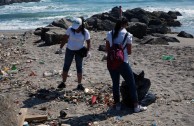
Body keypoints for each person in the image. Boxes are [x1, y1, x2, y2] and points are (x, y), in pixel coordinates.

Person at [105, 17, 147, 112]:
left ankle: (117, 105)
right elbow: (129, 51)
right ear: (125, 25)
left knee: (115, 83)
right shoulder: (128, 35)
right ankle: (136, 106)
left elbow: (107, 49)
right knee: (131, 83)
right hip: (123, 62)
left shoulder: (109, 33)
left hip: (111, 62)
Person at [57, 17, 91, 90]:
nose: (76, 29)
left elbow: (88, 42)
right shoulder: (70, 29)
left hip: (80, 51)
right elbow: (65, 38)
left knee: (79, 67)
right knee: (66, 66)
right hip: (69, 50)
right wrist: (60, 48)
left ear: (81, 25)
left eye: (77, 27)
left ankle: (79, 84)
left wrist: (88, 51)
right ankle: (63, 82)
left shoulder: (85, 32)